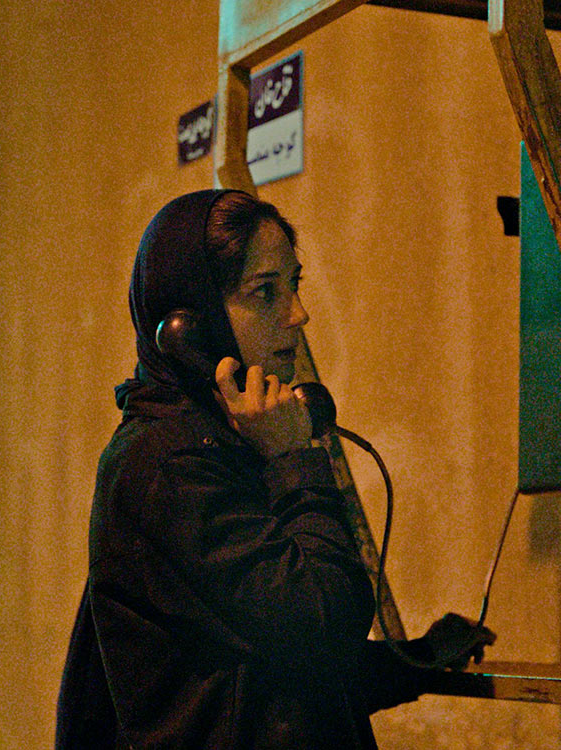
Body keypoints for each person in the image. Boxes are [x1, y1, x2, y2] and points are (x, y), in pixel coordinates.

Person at [56, 189, 494, 749]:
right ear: (191, 324)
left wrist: (420, 660)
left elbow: (273, 667)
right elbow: (324, 626)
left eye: (295, 284)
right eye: (265, 292)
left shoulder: (223, 437)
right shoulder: (172, 464)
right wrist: (294, 460)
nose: (298, 315)